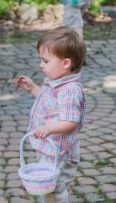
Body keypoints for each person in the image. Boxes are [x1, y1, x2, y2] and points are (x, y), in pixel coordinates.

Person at [17, 27, 86, 203]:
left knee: (54, 187)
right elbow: (50, 104)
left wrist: (48, 128)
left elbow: (71, 121)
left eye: (45, 61)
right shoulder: (56, 83)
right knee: (46, 186)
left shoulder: (70, 90)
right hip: (50, 148)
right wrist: (33, 88)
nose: (41, 65)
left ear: (65, 64)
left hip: (59, 153)